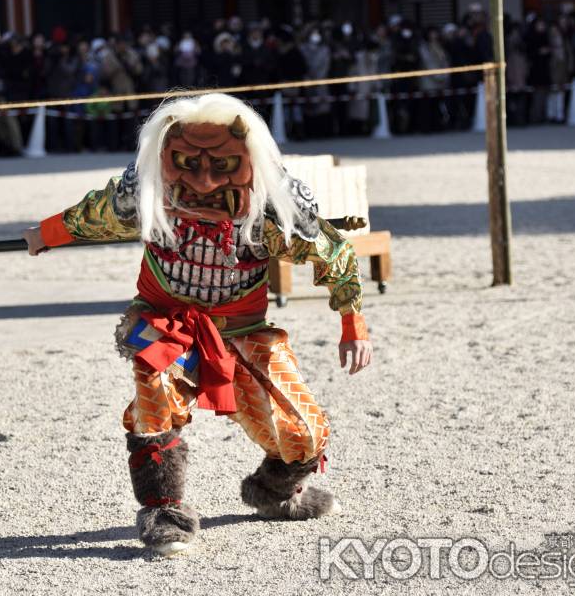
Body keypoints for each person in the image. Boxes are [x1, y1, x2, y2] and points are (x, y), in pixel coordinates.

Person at [23, 93, 372, 556]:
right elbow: (95, 215)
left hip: (243, 329)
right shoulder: (145, 190)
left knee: (303, 430)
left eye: (224, 165)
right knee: (155, 398)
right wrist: (44, 234)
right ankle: (162, 510)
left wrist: (353, 323)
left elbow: (332, 252)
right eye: (187, 162)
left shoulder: (273, 204)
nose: (204, 181)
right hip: (163, 320)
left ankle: (276, 490)